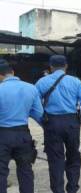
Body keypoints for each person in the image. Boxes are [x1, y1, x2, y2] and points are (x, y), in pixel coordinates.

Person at [35, 55, 81, 193]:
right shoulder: (76, 82)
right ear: (66, 66)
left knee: (55, 159)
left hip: (51, 122)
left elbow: (35, 106)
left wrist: (43, 122)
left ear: (50, 67)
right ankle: (72, 188)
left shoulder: (41, 82)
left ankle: (58, 190)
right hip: (72, 122)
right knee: (73, 156)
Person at [0, 59, 44, 193]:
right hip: (23, 135)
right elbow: (39, 114)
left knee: (1, 172)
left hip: (2, 135)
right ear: (12, 72)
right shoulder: (31, 88)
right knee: (25, 171)